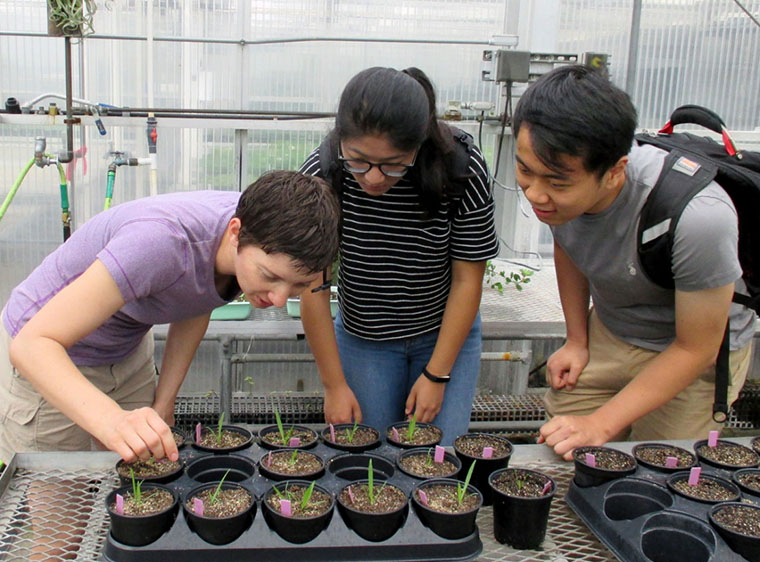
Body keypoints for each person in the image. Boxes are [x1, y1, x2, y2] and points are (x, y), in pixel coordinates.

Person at [0, 170, 340, 464]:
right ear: (235, 233)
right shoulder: (159, 243)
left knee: (133, 489)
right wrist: (111, 420)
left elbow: (194, 302)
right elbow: (33, 344)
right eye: (269, 276)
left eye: (297, 285)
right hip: (50, 355)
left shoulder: (265, 234)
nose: (279, 300)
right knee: (63, 522)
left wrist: (165, 399)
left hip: (126, 350)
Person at [511, 65, 755, 460]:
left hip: (690, 352)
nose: (536, 195)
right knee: (564, 450)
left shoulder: (699, 218)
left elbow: (696, 348)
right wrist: (576, 339)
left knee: (655, 466)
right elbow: (570, 247)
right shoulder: (560, 200)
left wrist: (600, 423)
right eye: (525, 170)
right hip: (612, 330)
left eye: (557, 182)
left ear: (614, 172)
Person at [299, 66, 499, 445]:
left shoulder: (460, 166)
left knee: (439, 459)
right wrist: (334, 384)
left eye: (393, 163)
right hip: (364, 340)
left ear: (420, 143)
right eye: (359, 159)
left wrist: (438, 374)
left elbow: (467, 280)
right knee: (367, 461)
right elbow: (314, 288)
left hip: (443, 334)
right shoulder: (322, 175)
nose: (374, 178)